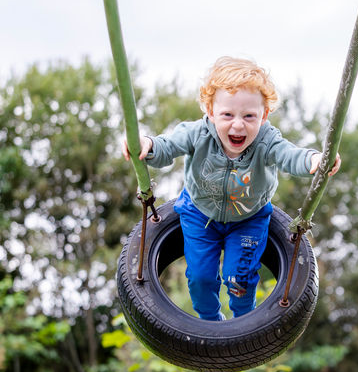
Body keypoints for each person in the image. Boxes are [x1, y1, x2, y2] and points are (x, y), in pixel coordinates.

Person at [123, 56, 340, 322]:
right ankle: (211, 324)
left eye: (249, 116)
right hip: (199, 214)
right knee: (200, 277)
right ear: (211, 111)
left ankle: (243, 325)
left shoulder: (267, 141)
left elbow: (290, 156)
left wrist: (314, 160)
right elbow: (166, 147)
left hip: (249, 219)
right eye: (227, 115)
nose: (238, 125)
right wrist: (147, 145)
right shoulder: (196, 134)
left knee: (239, 279)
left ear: (264, 116)